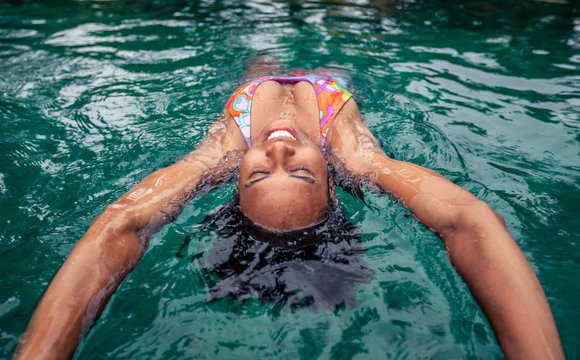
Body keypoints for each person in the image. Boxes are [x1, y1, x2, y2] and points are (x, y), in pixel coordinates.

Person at [13, 58, 564, 360]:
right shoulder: (354, 156)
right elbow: (465, 221)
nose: (278, 149)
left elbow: (121, 226)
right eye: (299, 169)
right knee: (337, 62)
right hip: (331, 84)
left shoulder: (221, 155)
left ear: (234, 181)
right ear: (331, 181)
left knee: (259, 63)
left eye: (260, 171)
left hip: (253, 83)